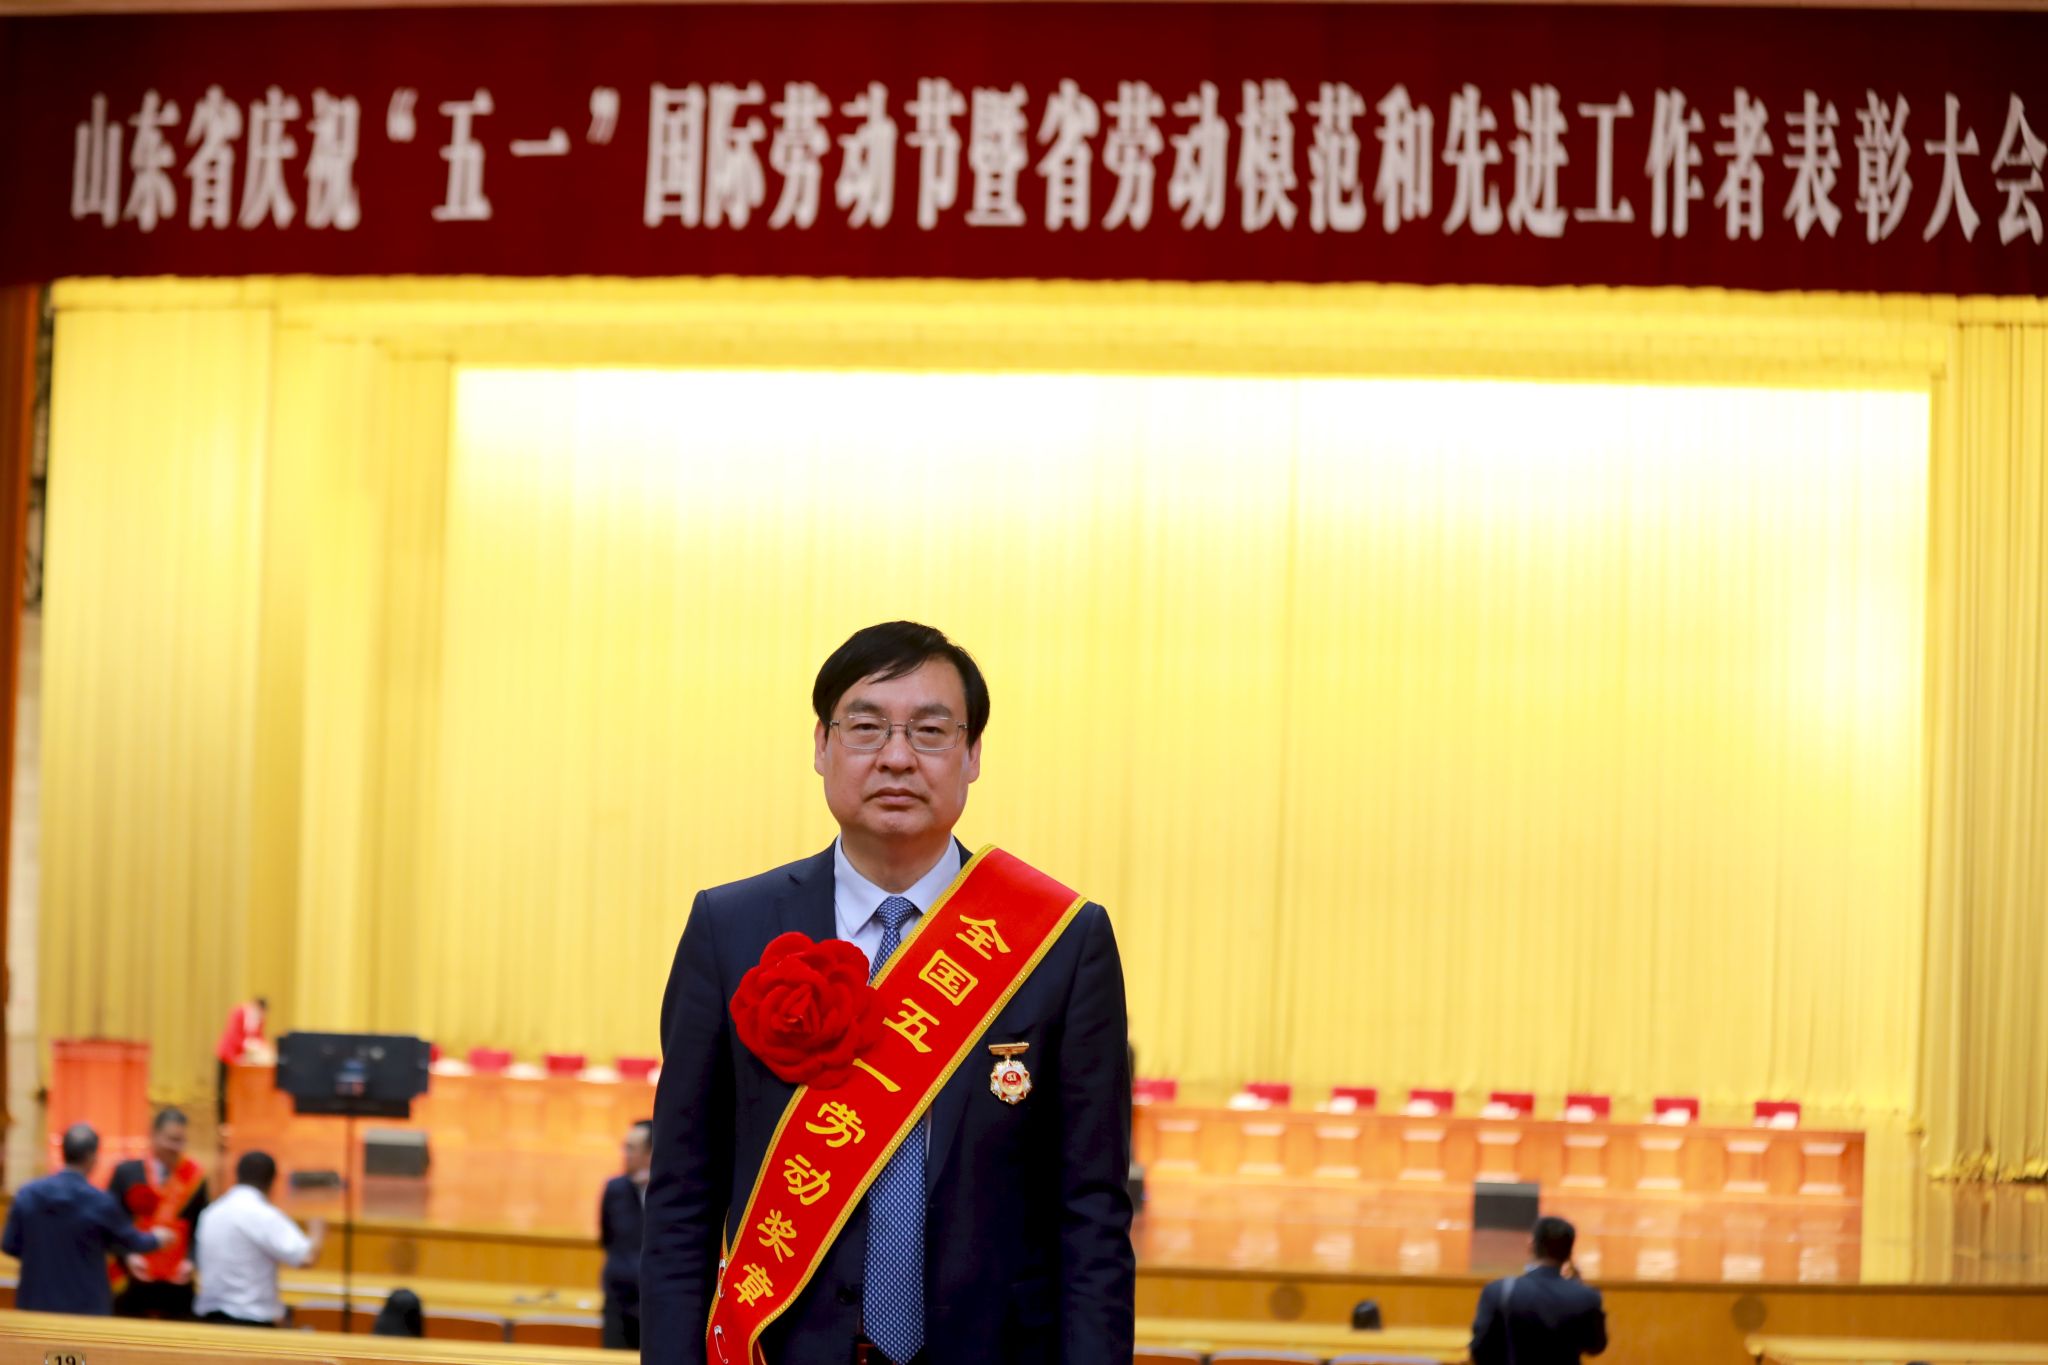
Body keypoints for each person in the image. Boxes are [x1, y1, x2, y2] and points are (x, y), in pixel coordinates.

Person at [643, 621, 1135, 1365]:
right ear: (822, 745)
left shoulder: (1061, 943)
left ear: (972, 755)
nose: (897, 757)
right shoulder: (730, 930)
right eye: (866, 726)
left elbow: (1092, 1216)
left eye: (930, 731)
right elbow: (682, 1197)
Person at [2, 1125, 164, 1315]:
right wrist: (158, 1238)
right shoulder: (100, 1202)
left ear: (63, 1153)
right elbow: (130, 1241)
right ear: (92, 1157)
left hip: (35, 1303)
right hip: (85, 1308)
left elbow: (9, 1245)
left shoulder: (27, 1194)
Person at [192, 1151, 325, 1328]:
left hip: (209, 1321)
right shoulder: (264, 1215)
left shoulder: (211, 1212)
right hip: (251, 1321)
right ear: (272, 1181)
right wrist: (317, 1230)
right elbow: (306, 1258)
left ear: (237, 1174)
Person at [108, 1106, 210, 1320]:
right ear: (153, 1135)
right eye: (171, 1139)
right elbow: (112, 1223)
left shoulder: (195, 1178)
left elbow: (201, 1228)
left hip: (177, 1286)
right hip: (133, 1281)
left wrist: (191, 1261)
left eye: (181, 1140)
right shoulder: (126, 1172)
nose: (177, 1147)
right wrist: (127, 1256)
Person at [1470, 1215, 1608, 1365]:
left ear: (1531, 1245)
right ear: (1569, 1253)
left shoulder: (1497, 1291)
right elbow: (1595, 1347)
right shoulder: (1587, 1296)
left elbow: (1479, 1350)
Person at [600, 1120, 653, 1349]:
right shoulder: (614, 1189)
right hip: (618, 1303)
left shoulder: (670, 1191)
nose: (625, 1154)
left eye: (631, 1148)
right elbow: (606, 1238)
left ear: (650, 1153)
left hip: (654, 1303)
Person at [214, 995, 268, 1131]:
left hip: (243, 1060)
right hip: (227, 1055)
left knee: (238, 1091)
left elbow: (260, 1037)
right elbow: (234, 1035)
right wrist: (248, 1044)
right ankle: (223, 1122)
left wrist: (263, 1048)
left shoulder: (260, 1019)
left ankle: (239, 1120)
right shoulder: (239, 1013)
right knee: (223, 1090)